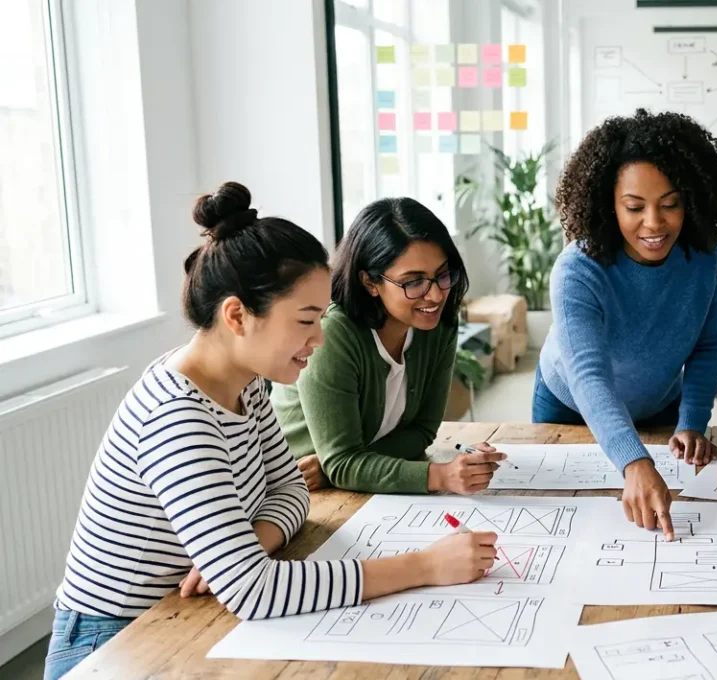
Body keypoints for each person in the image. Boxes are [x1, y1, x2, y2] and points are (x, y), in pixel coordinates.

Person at [45, 183, 498, 680]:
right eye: (306, 320)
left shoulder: (246, 386)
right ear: (237, 315)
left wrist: (249, 545)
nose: (319, 340)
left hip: (192, 611)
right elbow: (255, 591)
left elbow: (290, 493)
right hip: (116, 640)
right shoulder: (177, 416)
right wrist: (426, 567)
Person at [536, 109, 717, 540]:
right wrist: (634, 461)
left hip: (658, 401)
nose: (654, 223)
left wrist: (693, 423)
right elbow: (588, 377)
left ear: (692, 200)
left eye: (671, 204)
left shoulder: (705, 253)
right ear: (608, 203)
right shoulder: (577, 270)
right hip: (570, 405)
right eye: (634, 207)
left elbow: (708, 343)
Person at [273, 198, 505, 494]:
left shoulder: (438, 324)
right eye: (414, 282)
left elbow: (422, 431)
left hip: (341, 483)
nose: (434, 296)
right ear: (370, 282)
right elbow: (343, 463)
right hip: (293, 488)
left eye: (442, 275)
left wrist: (346, 466)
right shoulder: (333, 334)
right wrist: (441, 476)